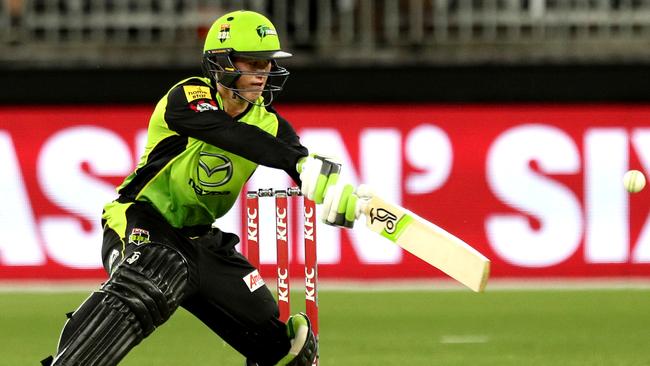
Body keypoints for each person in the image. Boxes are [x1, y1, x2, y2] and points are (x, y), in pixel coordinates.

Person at [41, 10, 361, 366]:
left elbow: (296, 162)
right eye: (253, 63)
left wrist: (332, 192)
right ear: (222, 63)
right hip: (142, 218)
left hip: (202, 242)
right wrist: (297, 162)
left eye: (268, 63)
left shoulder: (270, 124)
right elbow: (229, 133)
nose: (263, 73)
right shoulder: (189, 96)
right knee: (155, 272)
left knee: (281, 348)